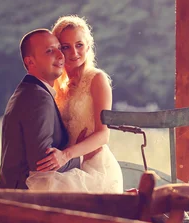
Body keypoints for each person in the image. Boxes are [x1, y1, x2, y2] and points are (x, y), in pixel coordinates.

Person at [25, 15, 124, 193]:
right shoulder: (58, 87)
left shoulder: (97, 79)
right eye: (65, 47)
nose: (74, 53)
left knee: (42, 190)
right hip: (69, 166)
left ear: (88, 45)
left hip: (96, 169)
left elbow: (103, 135)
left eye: (79, 45)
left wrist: (66, 155)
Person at [0, 29, 81, 190]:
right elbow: (42, 163)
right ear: (30, 62)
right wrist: (82, 157)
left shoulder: (28, 91)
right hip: (22, 202)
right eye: (49, 51)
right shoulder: (38, 98)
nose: (60, 55)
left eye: (59, 48)